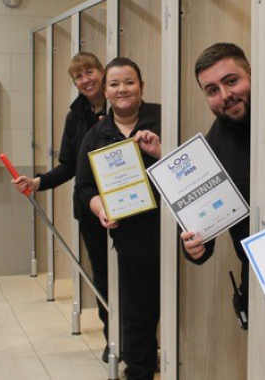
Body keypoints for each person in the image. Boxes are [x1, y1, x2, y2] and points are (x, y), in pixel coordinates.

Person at [10, 52, 112, 361]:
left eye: (90, 71)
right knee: (103, 278)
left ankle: (142, 343)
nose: (86, 79)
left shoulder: (120, 104)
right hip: (91, 209)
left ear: (102, 72)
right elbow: (68, 165)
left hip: (130, 208)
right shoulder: (75, 116)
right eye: (78, 76)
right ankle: (114, 340)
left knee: (135, 278)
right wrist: (38, 182)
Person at [75, 57, 161, 380]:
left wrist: (160, 151)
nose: (122, 89)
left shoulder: (166, 118)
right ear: (106, 92)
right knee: (136, 317)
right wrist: (101, 208)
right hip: (130, 241)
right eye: (114, 84)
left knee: (180, 310)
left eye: (129, 82)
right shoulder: (96, 135)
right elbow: (84, 188)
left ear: (141, 85)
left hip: (174, 235)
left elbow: (187, 164)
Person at [179, 43, 252, 326]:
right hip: (259, 280)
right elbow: (201, 244)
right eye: (212, 90)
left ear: (251, 75)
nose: (226, 96)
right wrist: (194, 247)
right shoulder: (206, 155)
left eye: (231, 81)